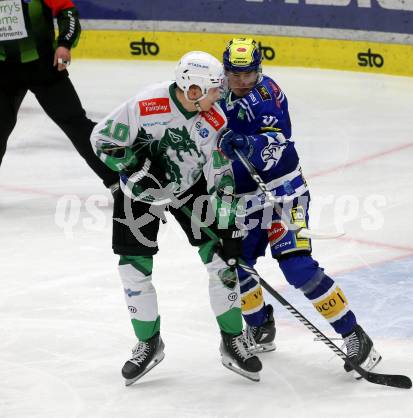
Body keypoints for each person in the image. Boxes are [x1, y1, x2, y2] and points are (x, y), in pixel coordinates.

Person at [90, 51, 262, 385]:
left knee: (222, 264)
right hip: (138, 194)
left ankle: (232, 340)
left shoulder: (215, 120)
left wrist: (228, 226)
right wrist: (132, 163)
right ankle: (148, 343)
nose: (220, 95)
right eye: (214, 89)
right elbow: (101, 140)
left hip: (188, 187)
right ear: (193, 89)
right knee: (132, 269)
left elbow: (222, 176)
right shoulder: (146, 105)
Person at [218, 38, 381, 375]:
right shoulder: (215, 93)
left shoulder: (268, 95)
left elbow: (276, 143)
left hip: (283, 194)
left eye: (249, 74)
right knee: (237, 267)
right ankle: (260, 325)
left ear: (259, 70)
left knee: (297, 267)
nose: (243, 81)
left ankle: (355, 335)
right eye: (236, 74)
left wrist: (250, 144)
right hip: (241, 200)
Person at [0, 0, 118, 189]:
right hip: (3, 71)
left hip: (44, 66)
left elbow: (67, 11)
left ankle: (118, 181)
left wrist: (65, 43)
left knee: (77, 125)